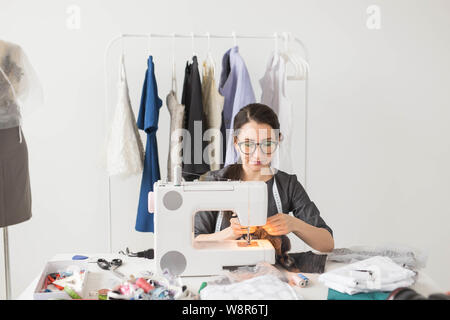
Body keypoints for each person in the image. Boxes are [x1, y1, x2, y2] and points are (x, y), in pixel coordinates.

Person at [194, 103, 334, 253]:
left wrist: (294, 224)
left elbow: (327, 243)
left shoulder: (287, 185)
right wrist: (229, 233)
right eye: (248, 144)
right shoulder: (214, 182)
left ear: (278, 140)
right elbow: (192, 241)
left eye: (267, 144)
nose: (257, 154)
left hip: (271, 273)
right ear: (235, 142)